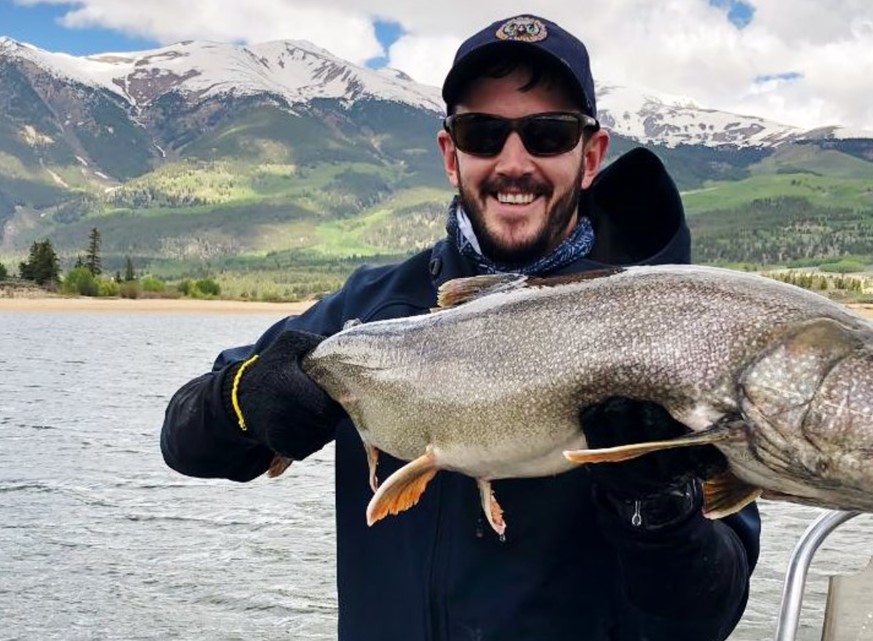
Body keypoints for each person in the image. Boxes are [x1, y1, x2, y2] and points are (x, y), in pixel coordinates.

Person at [160, 13, 761, 641]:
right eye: (483, 133)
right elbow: (183, 442)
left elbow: (705, 617)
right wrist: (246, 398)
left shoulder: (678, 334)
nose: (514, 161)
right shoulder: (367, 308)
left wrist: (657, 510)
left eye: (548, 134)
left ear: (591, 156)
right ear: (452, 154)